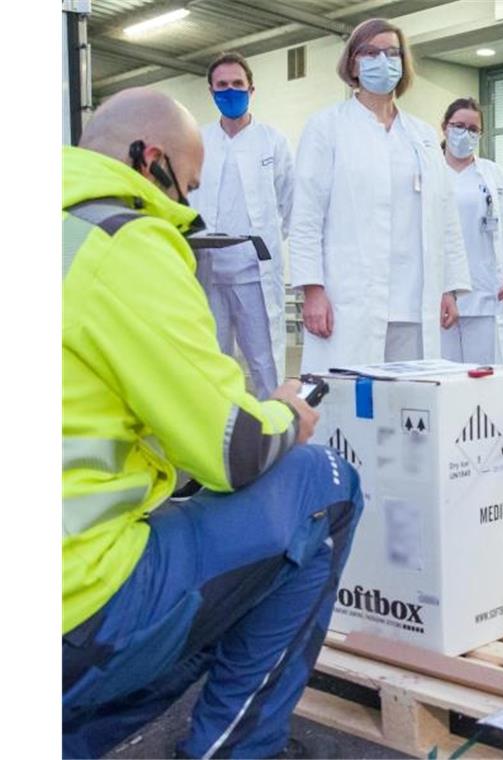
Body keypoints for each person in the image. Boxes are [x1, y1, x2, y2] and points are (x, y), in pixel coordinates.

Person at [62, 88, 364, 759]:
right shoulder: (123, 242)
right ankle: (237, 748)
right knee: (325, 484)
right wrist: (284, 408)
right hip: (71, 606)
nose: (186, 209)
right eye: (187, 188)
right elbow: (235, 448)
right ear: (150, 160)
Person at [291, 18, 470, 372]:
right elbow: (307, 215)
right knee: (349, 404)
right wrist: (312, 291)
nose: (382, 61)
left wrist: (448, 287)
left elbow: (445, 216)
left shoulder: (420, 136)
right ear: (353, 63)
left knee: (411, 407)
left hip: (414, 299)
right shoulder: (327, 127)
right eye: (370, 52)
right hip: (350, 298)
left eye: (391, 53)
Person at [188, 52, 294, 399]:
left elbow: (291, 204)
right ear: (211, 91)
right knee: (213, 364)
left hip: (255, 274)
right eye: (222, 85)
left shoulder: (273, 142)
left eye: (237, 84)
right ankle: (219, 442)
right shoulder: (197, 142)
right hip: (209, 273)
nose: (230, 91)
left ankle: (278, 438)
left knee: (265, 365)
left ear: (251, 88)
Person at [438, 97, 503, 365]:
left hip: (487, 293)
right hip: (440, 295)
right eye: (458, 126)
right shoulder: (429, 172)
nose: (465, 134)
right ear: (444, 127)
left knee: (488, 380)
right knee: (443, 378)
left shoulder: (493, 175)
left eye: (473, 129)